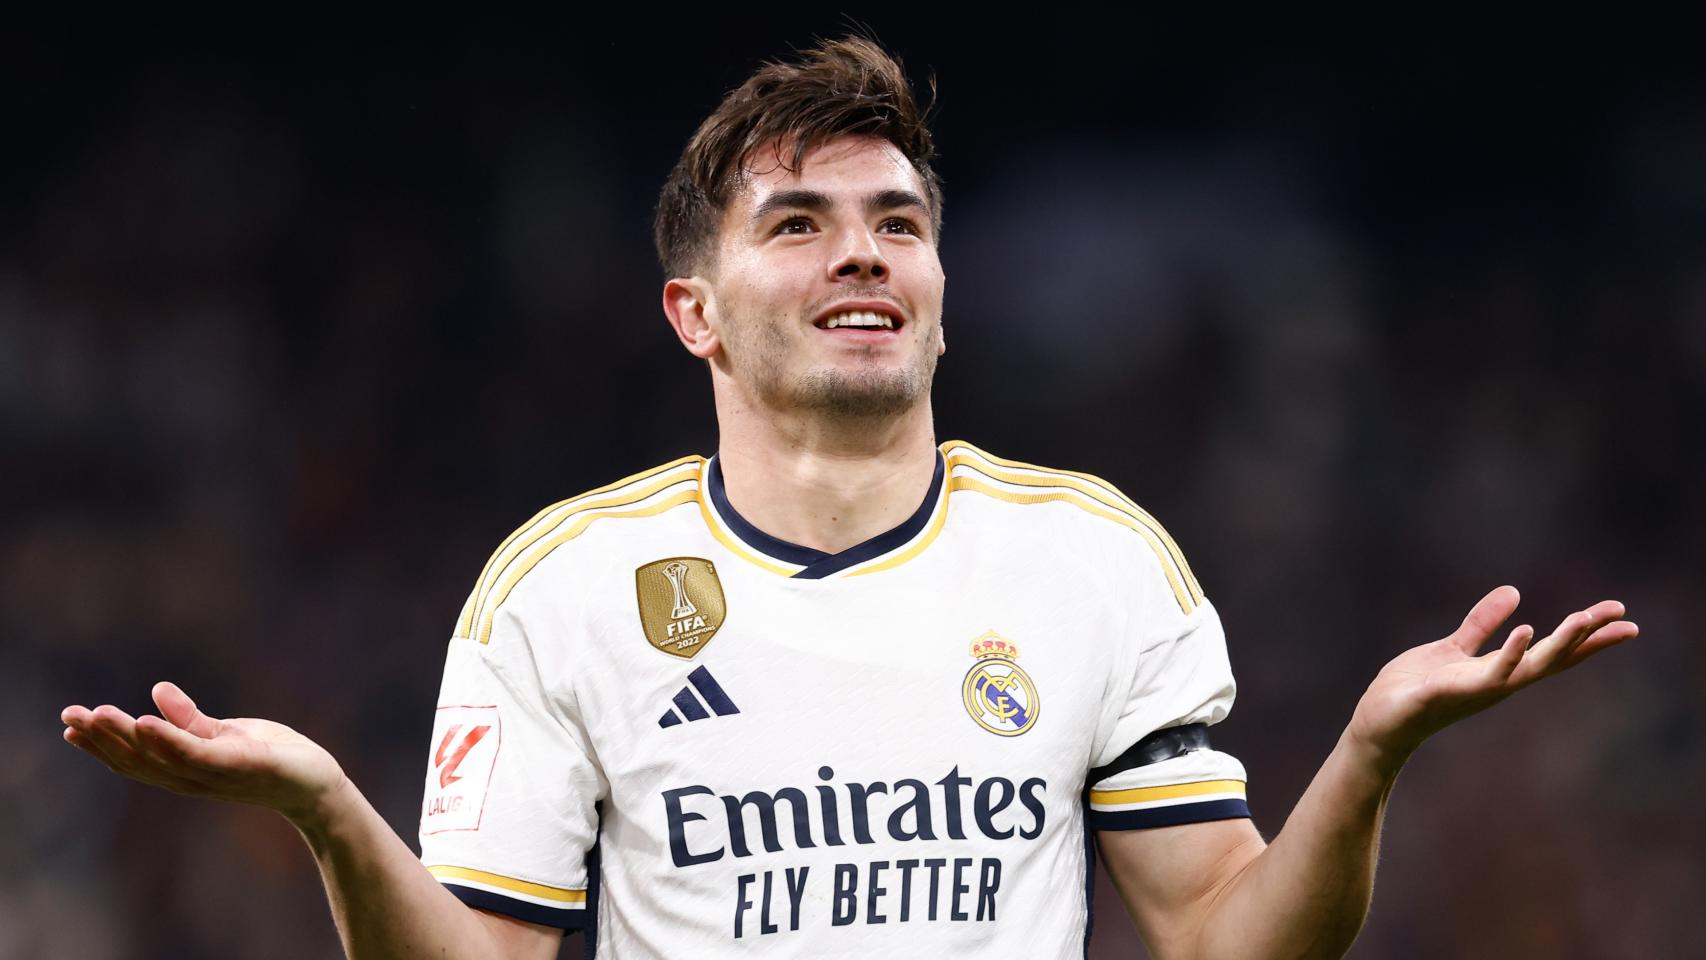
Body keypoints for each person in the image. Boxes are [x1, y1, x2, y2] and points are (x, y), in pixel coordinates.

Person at [59, 37, 1638, 960]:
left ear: (940, 295)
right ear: (694, 311)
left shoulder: (1092, 561)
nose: (861, 252)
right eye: (797, 224)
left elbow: (1228, 937)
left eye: (895, 220)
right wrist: (329, 812)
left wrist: (1366, 757)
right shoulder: (560, 589)